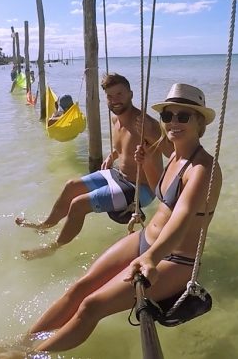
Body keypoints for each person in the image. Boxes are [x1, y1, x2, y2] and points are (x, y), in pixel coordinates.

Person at [0, 83, 221, 355]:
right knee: (81, 287)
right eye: (168, 116)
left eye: (183, 116)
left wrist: (150, 258)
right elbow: (161, 197)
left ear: (199, 123)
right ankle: (25, 340)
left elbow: (181, 218)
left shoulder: (203, 169)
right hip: (146, 239)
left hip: (174, 258)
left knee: (92, 306)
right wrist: (147, 161)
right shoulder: (174, 155)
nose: (173, 122)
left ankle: (31, 355)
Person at [15, 73, 168, 259]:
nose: (115, 100)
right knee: (71, 186)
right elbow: (123, 146)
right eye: (110, 96)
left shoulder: (146, 124)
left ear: (131, 94)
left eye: (120, 94)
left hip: (140, 189)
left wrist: (154, 136)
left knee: (78, 204)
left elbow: (173, 153)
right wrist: (112, 156)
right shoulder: (115, 120)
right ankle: (45, 226)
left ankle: (54, 247)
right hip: (118, 175)